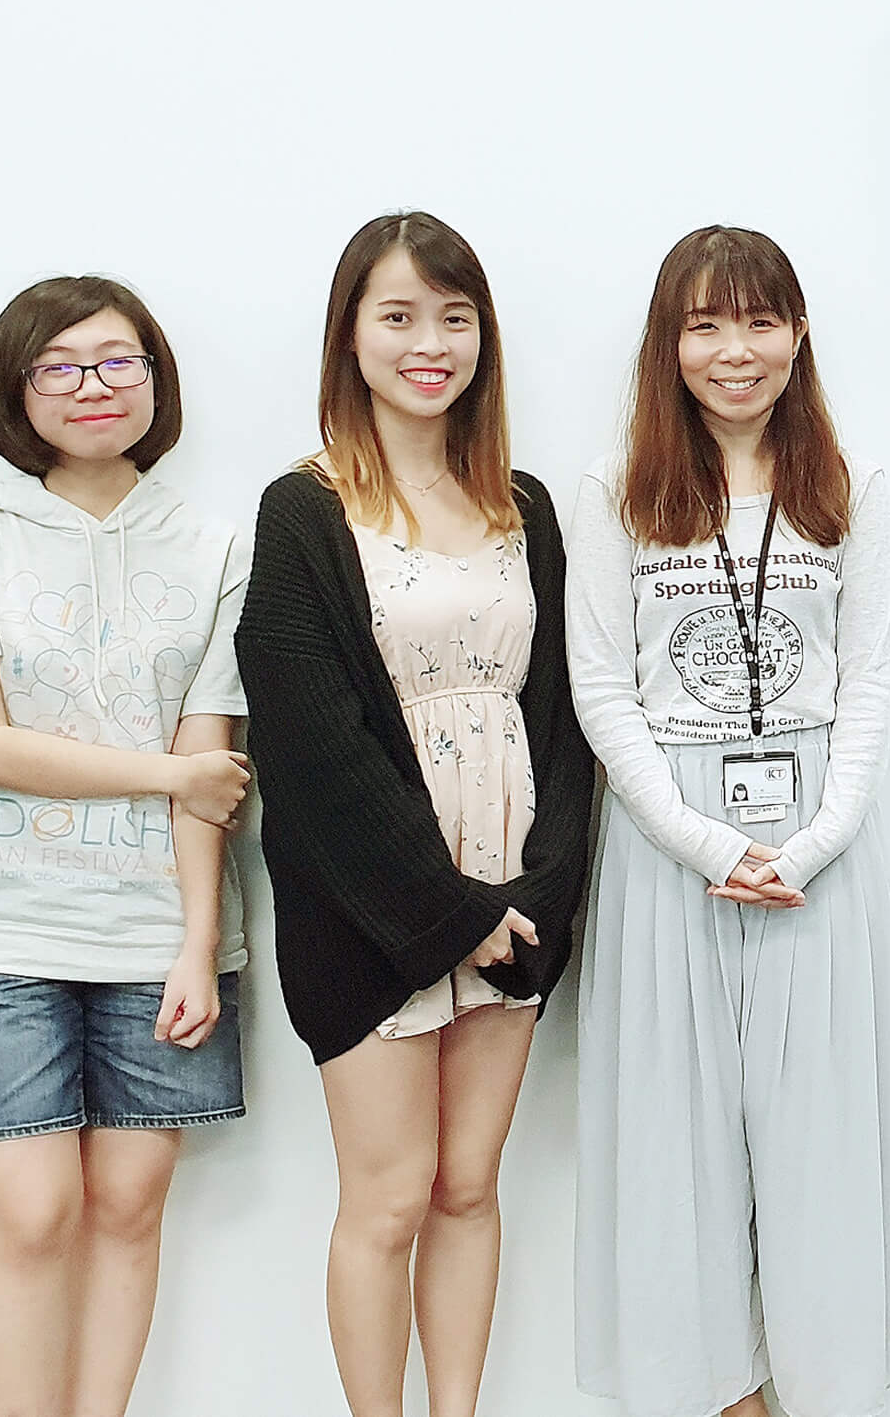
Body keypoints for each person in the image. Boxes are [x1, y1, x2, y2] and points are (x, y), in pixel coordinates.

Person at [234, 211, 595, 1417]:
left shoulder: (526, 506)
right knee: (385, 1200)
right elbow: (310, 742)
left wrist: (533, 897)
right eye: (397, 316)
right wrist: (445, 915)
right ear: (351, 334)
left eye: (453, 317)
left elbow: (563, 715)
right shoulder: (305, 507)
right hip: (371, 904)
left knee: (468, 1188)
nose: (428, 343)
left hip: (513, 891)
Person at [570, 225, 890, 1417]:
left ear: (798, 332)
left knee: (820, 1153)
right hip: (670, 841)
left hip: (817, 840)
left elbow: (866, 687)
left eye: (760, 320)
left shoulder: (851, 488)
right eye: (706, 324)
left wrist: (810, 842)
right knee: (678, 1159)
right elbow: (601, 691)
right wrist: (706, 841)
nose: (735, 350)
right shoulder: (614, 493)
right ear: (669, 344)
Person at [0, 275, 254, 1417]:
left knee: (126, 1203)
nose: (92, 386)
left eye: (118, 362)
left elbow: (216, 774)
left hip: (160, 930)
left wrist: (199, 941)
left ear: (156, 379)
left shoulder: (213, 544)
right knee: (30, 1210)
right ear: (16, 392)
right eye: (58, 366)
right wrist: (169, 773)